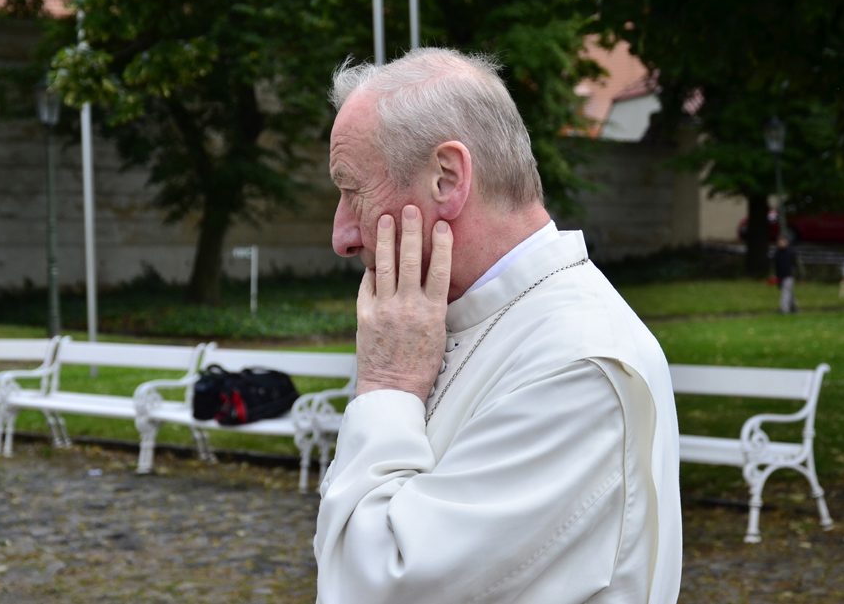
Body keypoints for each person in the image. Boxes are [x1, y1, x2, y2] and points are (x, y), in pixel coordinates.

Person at [315, 48, 682, 603]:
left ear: (447, 178)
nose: (341, 235)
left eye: (352, 190)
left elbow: (374, 587)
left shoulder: (574, 364)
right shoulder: (467, 321)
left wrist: (387, 384)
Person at [773, 236, 798, 314]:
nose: (781, 243)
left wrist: (799, 275)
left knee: (786, 292)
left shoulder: (791, 252)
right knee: (790, 293)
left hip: (789, 276)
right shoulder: (777, 253)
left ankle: (784, 309)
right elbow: (775, 266)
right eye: (780, 242)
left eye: (783, 241)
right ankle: (794, 308)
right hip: (781, 276)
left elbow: (796, 265)